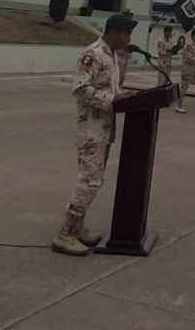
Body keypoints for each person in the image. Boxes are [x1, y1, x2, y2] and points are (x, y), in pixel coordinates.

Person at [52, 13, 136, 256]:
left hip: (105, 128)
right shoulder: (93, 54)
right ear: (115, 32)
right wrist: (112, 98)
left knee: (94, 180)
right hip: (90, 128)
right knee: (88, 181)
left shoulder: (112, 56)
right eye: (126, 33)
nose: (128, 38)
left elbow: (110, 88)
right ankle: (64, 234)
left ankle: (77, 228)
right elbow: (79, 88)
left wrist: (122, 96)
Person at [175, 28, 195, 113]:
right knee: (184, 86)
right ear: (193, 36)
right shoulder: (189, 45)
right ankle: (178, 105)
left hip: (194, 67)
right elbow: (188, 58)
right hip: (187, 68)